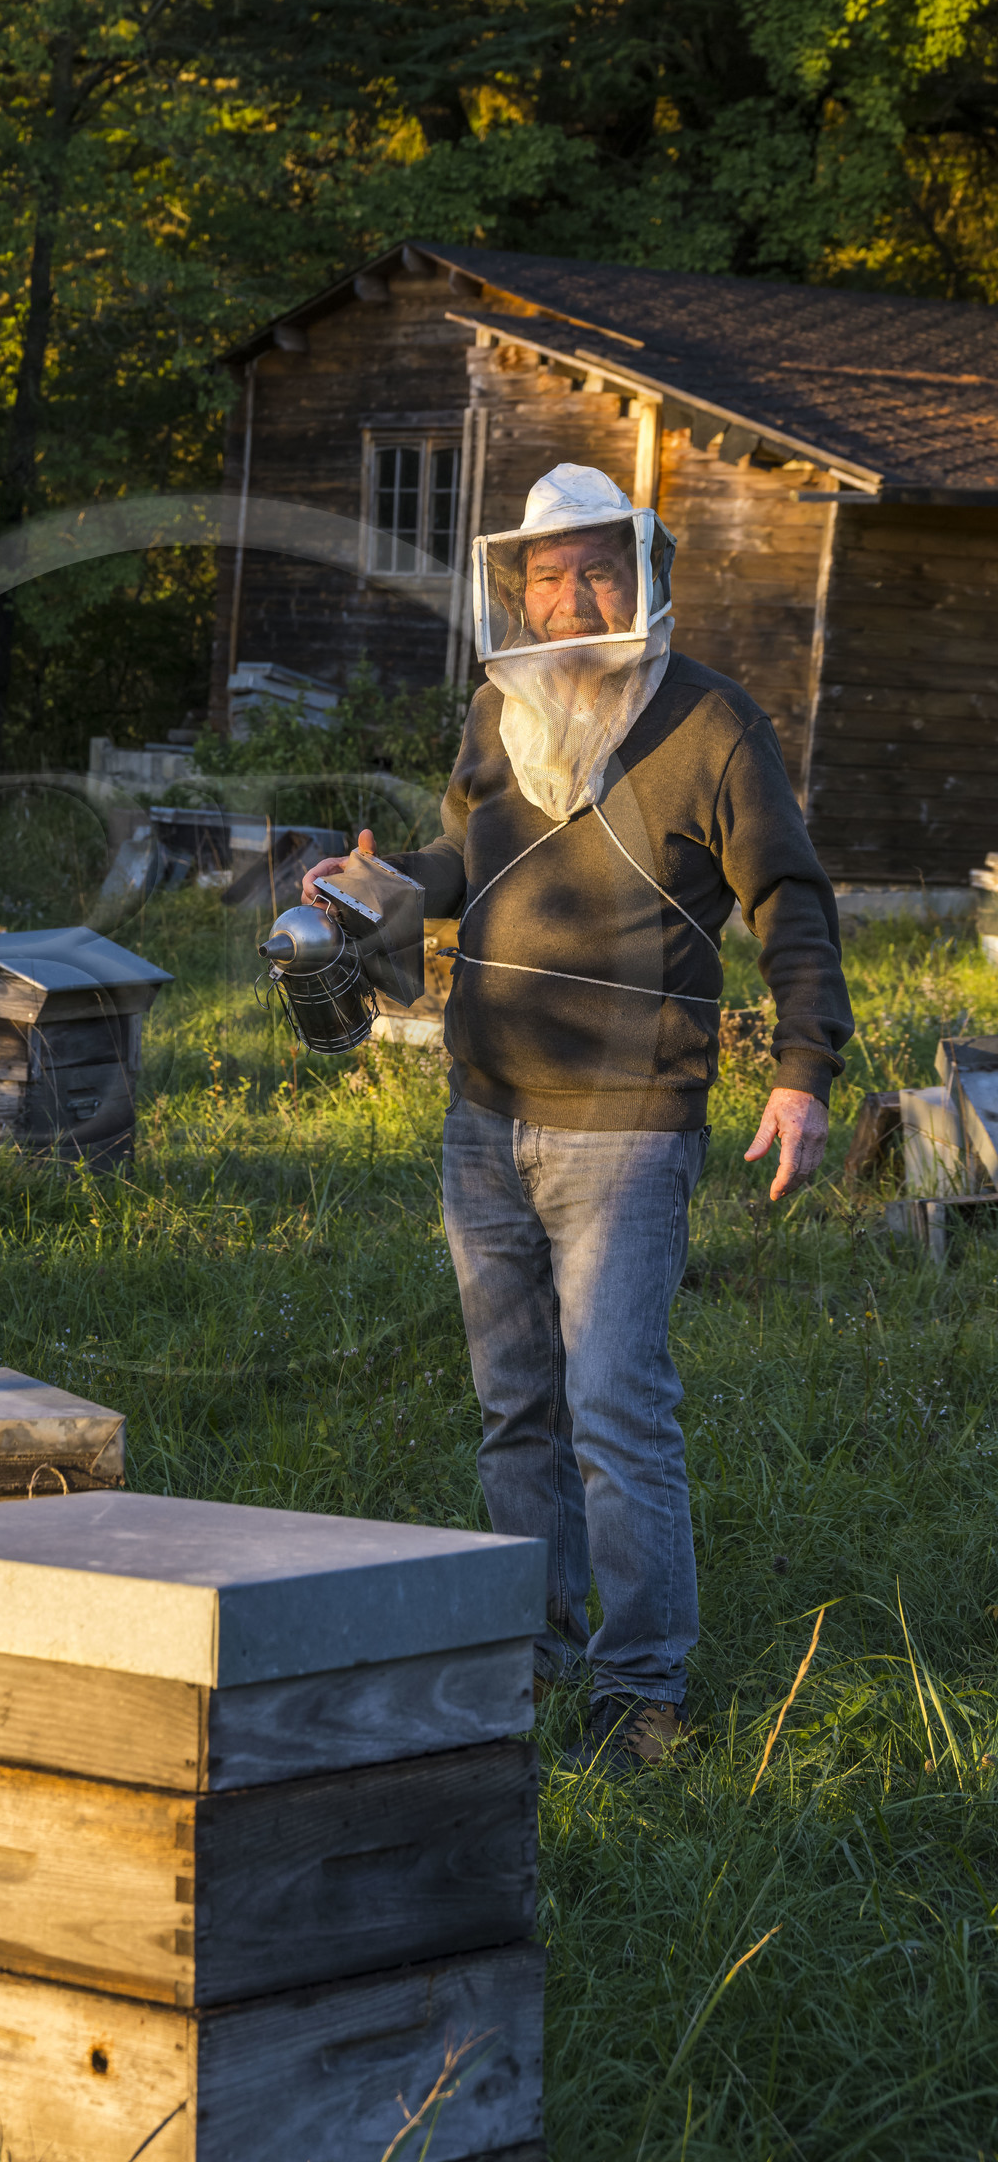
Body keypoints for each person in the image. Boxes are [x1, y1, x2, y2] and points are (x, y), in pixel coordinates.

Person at [305, 463, 853, 1772]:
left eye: (597, 566)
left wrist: (804, 1070)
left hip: (628, 1124)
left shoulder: (712, 724)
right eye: (547, 572)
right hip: (483, 1115)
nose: (571, 592)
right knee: (515, 1410)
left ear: (646, 573)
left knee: (614, 1409)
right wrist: (388, 883)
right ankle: (535, 1658)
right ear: (520, 586)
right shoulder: (503, 712)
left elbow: (792, 898)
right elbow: (467, 861)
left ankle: (642, 1693)